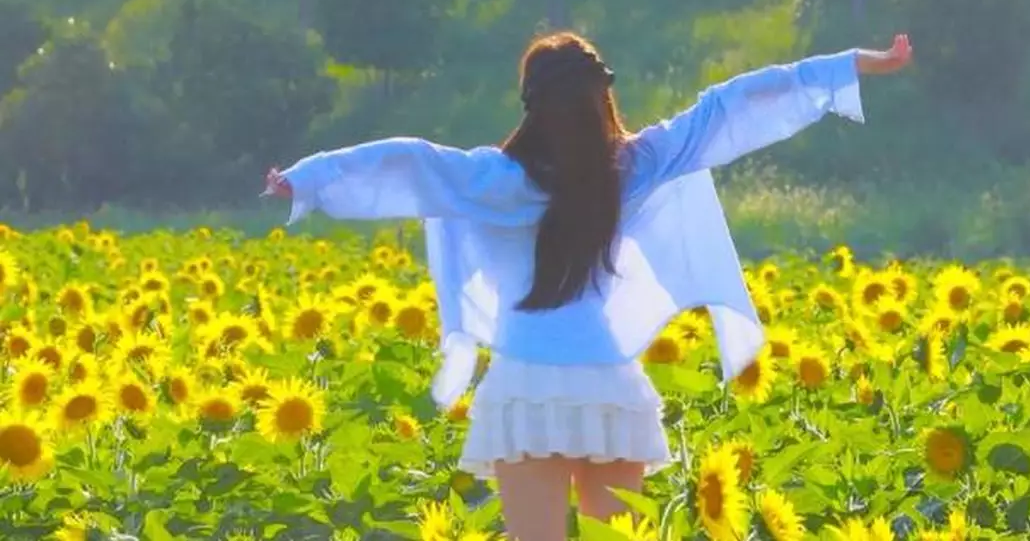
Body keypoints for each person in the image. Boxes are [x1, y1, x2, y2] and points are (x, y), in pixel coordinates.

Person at [263, 31, 912, 541]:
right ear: (604, 99)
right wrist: (854, 65)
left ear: (533, 108)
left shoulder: (499, 178)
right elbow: (732, 105)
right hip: (610, 386)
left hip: (527, 389)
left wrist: (307, 180)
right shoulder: (633, 166)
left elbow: (408, 160)